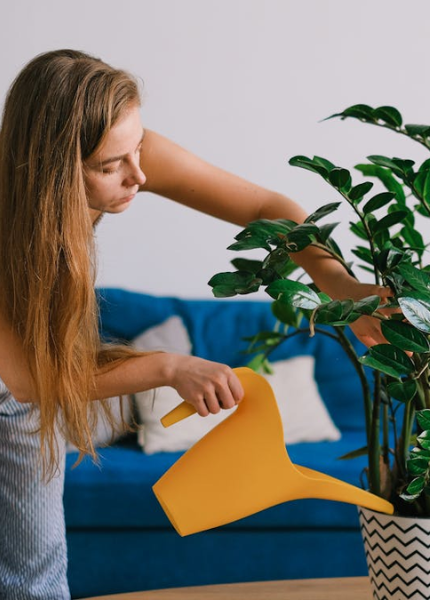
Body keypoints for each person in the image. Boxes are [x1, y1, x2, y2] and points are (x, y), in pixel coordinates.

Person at [0, 49, 390, 599]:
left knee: (38, 575)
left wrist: (344, 290)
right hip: (15, 382)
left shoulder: (128, 154)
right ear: (51, 171)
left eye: (137, 148)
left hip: (21, 387)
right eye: (110, 166)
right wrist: (167, 366)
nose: (139, 174)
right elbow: (25, 381)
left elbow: (263, 207)